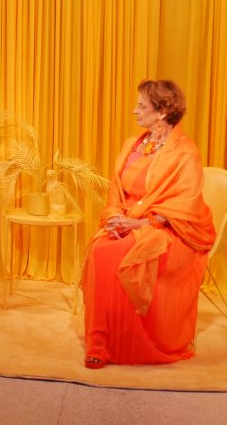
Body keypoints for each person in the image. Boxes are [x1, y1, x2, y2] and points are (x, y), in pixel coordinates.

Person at [80, 79, 216, 369]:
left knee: (116, 255)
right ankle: (100, 341)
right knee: (99, 249)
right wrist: (116, 217)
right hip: (128, 221)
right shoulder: (134, 144)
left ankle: (121, 342)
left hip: (169, 231)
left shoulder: (185, 152)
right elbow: (116, 190)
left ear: (163, 111)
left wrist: (140, 223)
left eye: (142, 106)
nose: (134, 111)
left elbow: (186, 205)